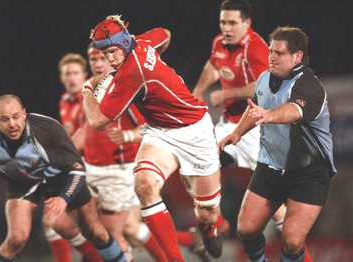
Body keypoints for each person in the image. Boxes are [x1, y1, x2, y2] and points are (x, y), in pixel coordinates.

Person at [84, 15, 224, 261]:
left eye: (113, 51)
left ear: (125, 44)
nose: (109, 58)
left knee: (207, 212)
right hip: (160, 132)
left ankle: (208, 228)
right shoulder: (140, 44)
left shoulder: (131, 73)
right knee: (145, 184)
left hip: (195, 132)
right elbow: (165, 32)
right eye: (105, 54)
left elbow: (96, 121)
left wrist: (88, 90)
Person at [0, 94, 126, 262]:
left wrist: (63, 198)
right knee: (16, 239)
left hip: (61, 180)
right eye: (4, 119)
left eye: (15, 117)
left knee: (94, 232)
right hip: (21, 184)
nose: (12, 124)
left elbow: (78, 169)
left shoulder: (48, 129)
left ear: (24, 114)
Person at [219, 26, 336, 261]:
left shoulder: (309, 86)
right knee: (246, 229)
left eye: (279, 53)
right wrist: (237, 133)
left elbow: (294, 110)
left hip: (310, 172)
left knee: (292, 242)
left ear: (297, 56)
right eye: (271, 51)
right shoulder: (264, 78)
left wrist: (270, 115)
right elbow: (255, 105)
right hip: (271, 166)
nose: (272, 57)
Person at [192, 0, 291, 245]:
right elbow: (213, 66)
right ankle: (215, 224)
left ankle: (297, 248)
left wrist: (226, 94)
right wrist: (198, 91)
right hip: (230, 126)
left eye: (232, 22)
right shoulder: (219, 42)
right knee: (202, 164)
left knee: (274, 204)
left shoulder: (256, 47)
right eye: (223, 22)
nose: (226, 27)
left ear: (247, 23)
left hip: (259, 129)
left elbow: (263, 86)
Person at [44, 53, 103, 262]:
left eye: (76, 73)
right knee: (52, 217)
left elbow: (86, 133)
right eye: (67, 74)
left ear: (84, 75)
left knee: (119, 230)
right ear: (61, 77)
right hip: (77, 166)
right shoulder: (64, 101)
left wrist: (56, 159)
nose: (71, 78)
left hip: (100, 168)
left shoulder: (91, 98)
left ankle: (186, 242)